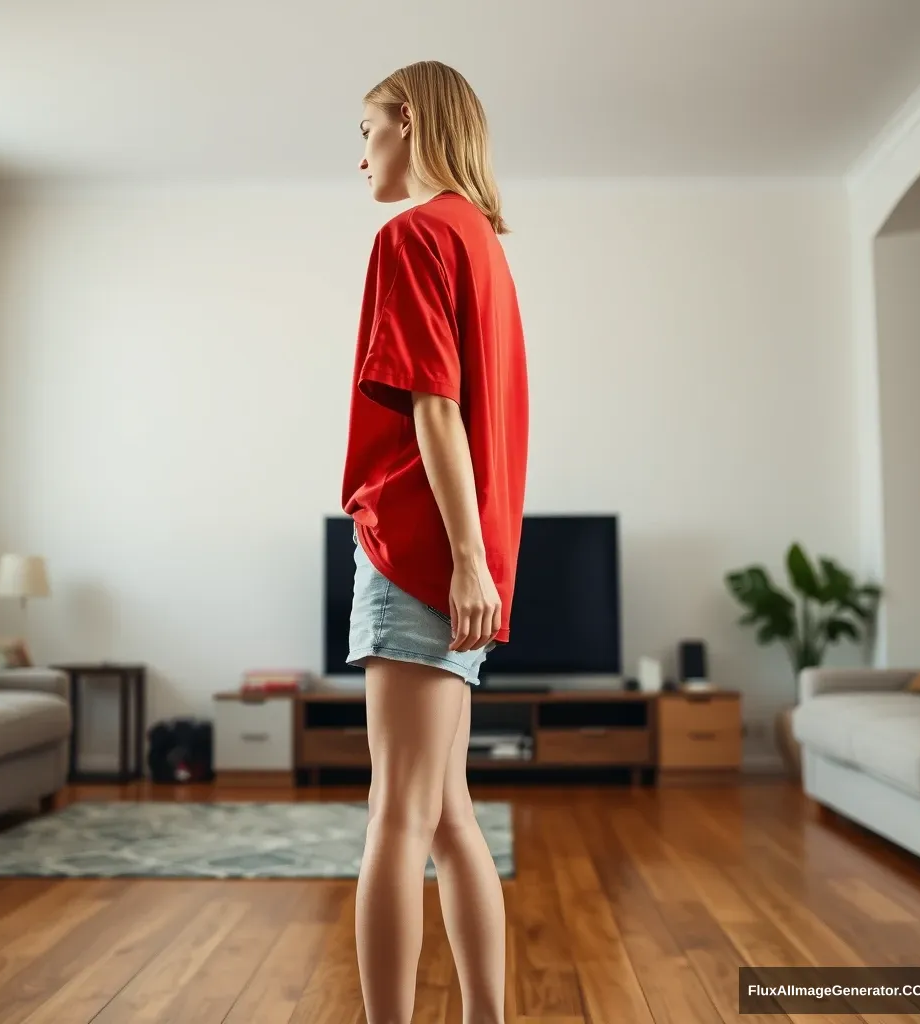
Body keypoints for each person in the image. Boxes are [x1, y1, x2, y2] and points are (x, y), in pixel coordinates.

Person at [340, 60, 529, 1024]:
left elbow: (436, 410)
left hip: (420, 553)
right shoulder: (484, 247)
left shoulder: (413, 234)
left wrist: (458, 558)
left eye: (367, 128)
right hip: (467, 563)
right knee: (452, 817)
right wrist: (482, 561)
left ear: (407, 122)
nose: (360, 150)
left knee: (398, 814)